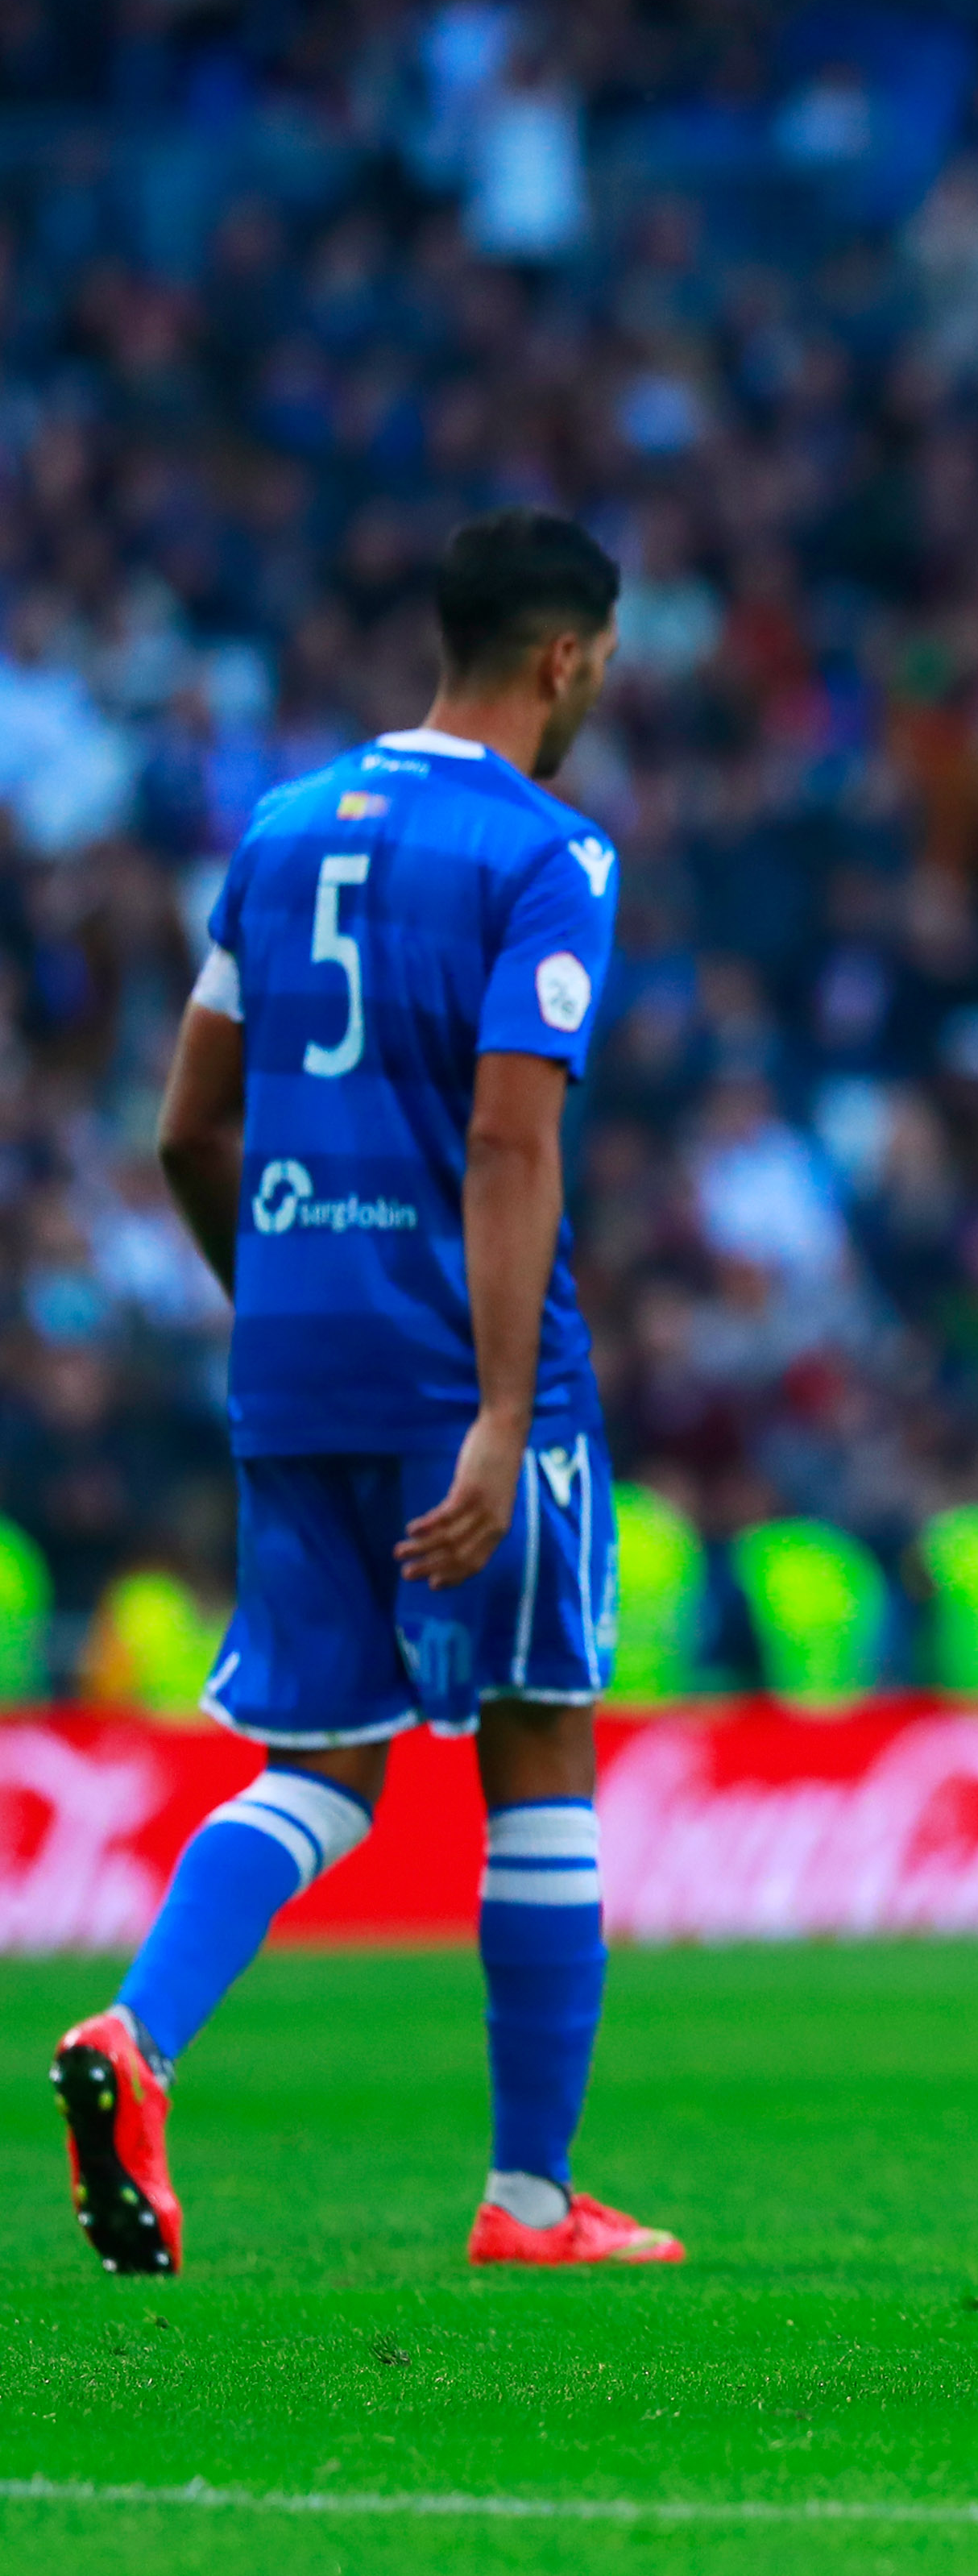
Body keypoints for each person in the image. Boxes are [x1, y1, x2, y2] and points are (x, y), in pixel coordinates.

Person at [56, 509, 675, 2275]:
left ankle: (136, 2036)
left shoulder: (274, 830)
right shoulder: (547, 852)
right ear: (565, 659)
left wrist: (275, 1305)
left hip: (296, 1356)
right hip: (470, 1364)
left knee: (323, 1761)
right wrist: (494, 1409)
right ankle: (532, 2202)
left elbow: (189, 1128)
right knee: (537, 1730)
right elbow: (508, 1131)